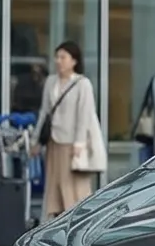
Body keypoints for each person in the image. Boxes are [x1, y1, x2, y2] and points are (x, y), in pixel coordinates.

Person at [37, 42, 107, 217]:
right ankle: (55, 217)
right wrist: (35, 140)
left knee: (73, 187)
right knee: (54, 185)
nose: (58, 61)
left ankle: (76, 218)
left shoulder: (82, 84)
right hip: (54, 142)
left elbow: (84, 114)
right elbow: (44, 112)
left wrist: (80, 142)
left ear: (74, 61)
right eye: (57, 57)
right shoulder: (50, 81)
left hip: (72, 144)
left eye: (63, 57)